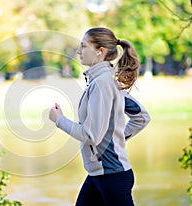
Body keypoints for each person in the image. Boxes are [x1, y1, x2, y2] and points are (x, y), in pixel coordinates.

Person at [49, 27, 151, 206]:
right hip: (100, 174)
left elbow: (90, 135)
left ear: (100, 51)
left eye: (83, 46)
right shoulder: (105, 82)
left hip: (112, 177)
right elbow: (142, 117)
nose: (79, 51)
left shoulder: (103, 84)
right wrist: (115, 139)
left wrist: (59, 120)